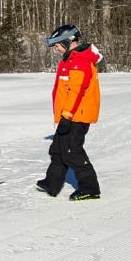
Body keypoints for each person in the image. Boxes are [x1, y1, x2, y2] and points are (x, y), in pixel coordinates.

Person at [37, 25, 102, 201]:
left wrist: (66, 115)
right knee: (58, 149)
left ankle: (90, 189)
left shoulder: (80, 60)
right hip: (69, 113)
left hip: (76, 115)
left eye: (57, 44)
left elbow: (76, 91)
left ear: (68, 41)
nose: (56, 49)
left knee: (72, 151)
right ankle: (52, 183)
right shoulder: (70, 59)